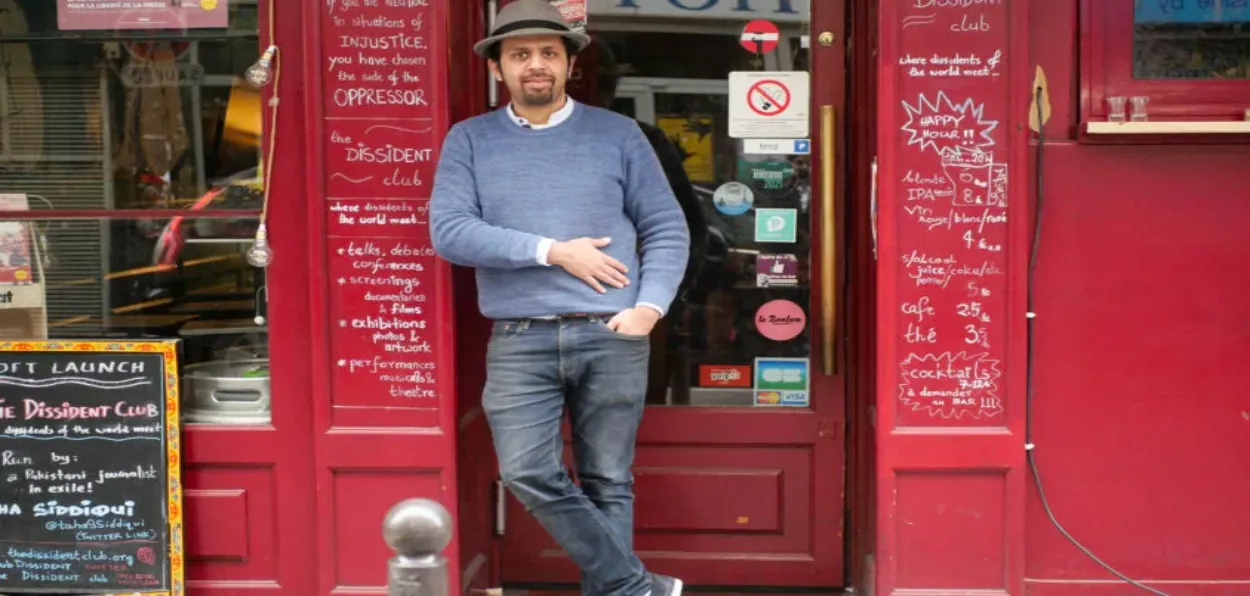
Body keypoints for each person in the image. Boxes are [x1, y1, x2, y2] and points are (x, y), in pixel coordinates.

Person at [427, 1, 690, 595]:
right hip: (521, 338)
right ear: (498, 68)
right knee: (526, 470)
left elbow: (667, 229)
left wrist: (647, 309)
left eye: (549, 52)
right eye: (520, 54)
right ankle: (634, 585)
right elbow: (450, 232)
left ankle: (619, 592)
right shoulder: (470, 141)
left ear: (570, 63)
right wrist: (554, 250)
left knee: (608, 479)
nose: (535, 65)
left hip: (613, 330)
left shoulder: (618, 135)